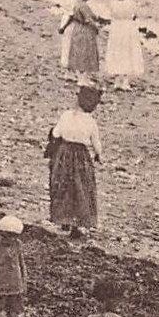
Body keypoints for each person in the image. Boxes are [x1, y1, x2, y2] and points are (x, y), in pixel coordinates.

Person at [46, 83, 103, 237]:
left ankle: (63, 219)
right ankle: (77, 224)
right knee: (81, 189)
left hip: (63, 154)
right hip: (81, 156)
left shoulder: (66, 115)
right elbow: (96, 143)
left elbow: (56, 133)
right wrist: (99, 155)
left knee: (62, 186)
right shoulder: (90, 121)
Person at [104, 0, 146, 89]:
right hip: (128, 28)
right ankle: (125, 81)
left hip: (116, 28)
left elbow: (112, 14)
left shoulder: (112, 3)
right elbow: (135, 15)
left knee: (117, 52)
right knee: (128, 52)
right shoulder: (131, 3)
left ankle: (118, 80)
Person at [59, 0, 105, 79]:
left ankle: (70, 73)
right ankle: (82, 76)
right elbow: (88, 20)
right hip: (84, 29)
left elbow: (72, 16)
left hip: (76, 28)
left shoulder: (76, 4)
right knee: (84, 52)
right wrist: (96, 28)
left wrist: (63, 27)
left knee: (75, 50)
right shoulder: (83, 6)